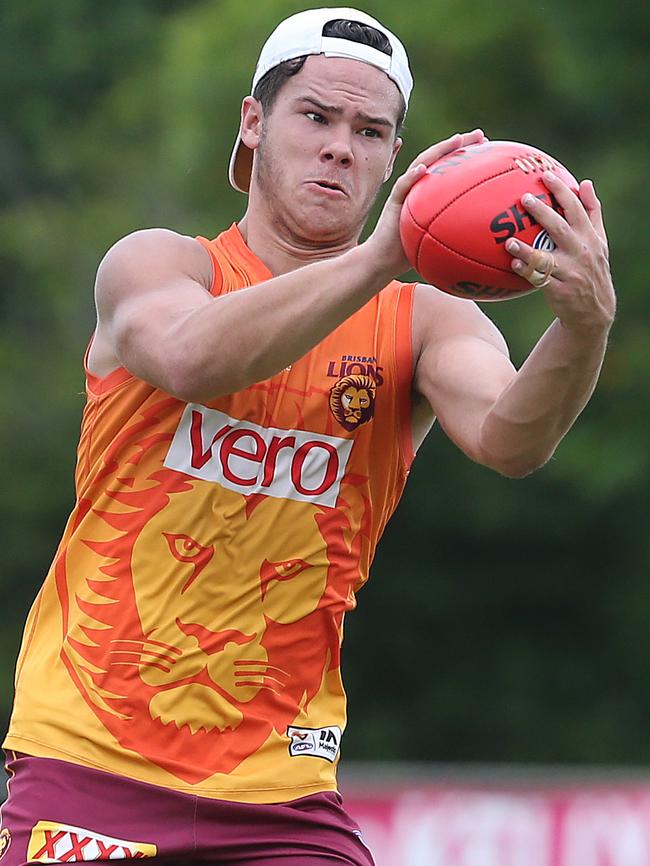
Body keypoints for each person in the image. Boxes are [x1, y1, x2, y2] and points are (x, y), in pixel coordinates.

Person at [0, 7, 615, 866]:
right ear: (255, 124)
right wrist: (376, 259)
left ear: (394, 158)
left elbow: (513, 439)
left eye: (370, 130)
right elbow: (190, 357)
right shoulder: (160, 265)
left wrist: (584, 326)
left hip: (281, 793)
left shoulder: (428, 318)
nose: (340, 147)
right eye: (316, 117)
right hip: (89, 762)